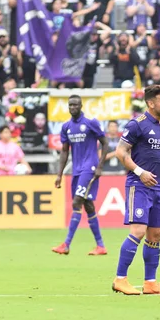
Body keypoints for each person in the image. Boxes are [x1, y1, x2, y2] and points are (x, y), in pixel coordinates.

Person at [112, 85, 160, 295]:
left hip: (158, 188)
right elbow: (120, 152)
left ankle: (150, 282)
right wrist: (139, 172)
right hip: (139, 186)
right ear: (150, 103)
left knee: (156, 234)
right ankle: (120, 279)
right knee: (137, 231)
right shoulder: (137, 125)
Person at [53, 95, 109, 257]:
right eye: (70, 105)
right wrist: (59, 174)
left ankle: (66, 244)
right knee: (88, 205)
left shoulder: (91, 123)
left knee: (77, 202)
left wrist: (100, 166)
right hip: (76, 170)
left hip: (89, 168)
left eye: (75, 105)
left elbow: (105, 143)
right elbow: (64, 151)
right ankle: (101, 246)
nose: (73, 107)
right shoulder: (66, 127)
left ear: (81, 105)